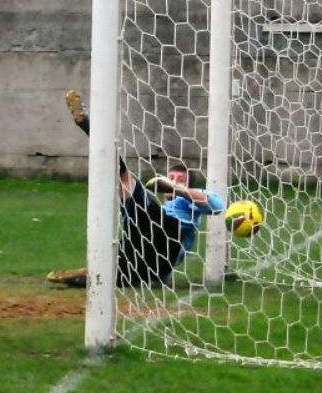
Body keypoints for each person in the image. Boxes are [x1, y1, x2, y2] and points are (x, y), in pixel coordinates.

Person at [47, 90, 225, 288]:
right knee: (112, 276)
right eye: (171, 178)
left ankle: (88, 126)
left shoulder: (189, 202)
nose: (174, 182)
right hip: (143, 252)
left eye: (180, 179)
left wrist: (181, 190)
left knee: (140, 199)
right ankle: (89, 274)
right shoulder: (156, 208)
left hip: (168, 244)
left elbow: (217, 206)